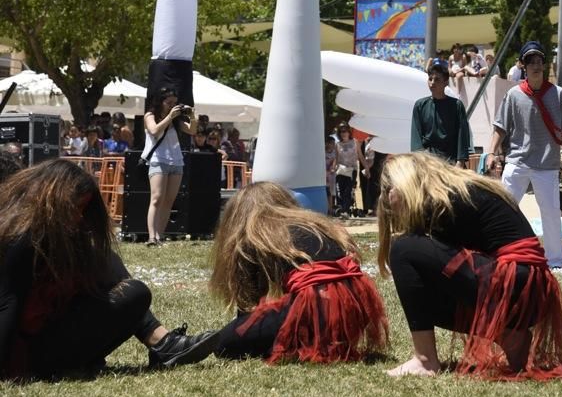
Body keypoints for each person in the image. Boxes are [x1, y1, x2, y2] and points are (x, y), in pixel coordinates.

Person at [376, 152, 562, 380]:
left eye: (388, 190)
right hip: (528, 288)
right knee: (419, 287)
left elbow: (445, 268)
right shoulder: (458, 190)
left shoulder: (446, 200)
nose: (386, 198)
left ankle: (425, 361)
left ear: (407, 182)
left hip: (517, 282)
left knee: (403, 249)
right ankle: (508, 333)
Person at [0, 159, 219, 380]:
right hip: (28, 351)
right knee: (132, 291)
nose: (78, 218)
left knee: (123, 281)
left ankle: (163, 342)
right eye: (76, 208)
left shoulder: (62, 236)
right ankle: (163, 343)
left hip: (48, 333)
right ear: (52, 201)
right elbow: (8, 303)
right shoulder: (21, 239)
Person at [209, 182, 389, 363]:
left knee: (223, 343)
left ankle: (305, 337)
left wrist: (244, 331)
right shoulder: (317, 224)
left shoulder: (254, 234)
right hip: (357, 304)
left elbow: (248, 306)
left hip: (316, 304)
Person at [487, 41, 562, 269]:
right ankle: (495, 252)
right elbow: (500, 127)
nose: (536, 66)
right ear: (523, 66)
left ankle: (556, 260)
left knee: (550, 213)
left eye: (539, 61)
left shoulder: (558, 94)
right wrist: (491, 152)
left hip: (547, 163)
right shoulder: (514, 95)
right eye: (531, 61)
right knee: (504, 208)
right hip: (517, 161)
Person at [142, 86, 197, 247]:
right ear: (160, 102)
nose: (172, 106)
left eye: (175, 103)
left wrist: (192, 116)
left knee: (168, 201)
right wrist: (169, 117)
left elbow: (192, 131)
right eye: (169, 102)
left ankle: (159, 235)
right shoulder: (150, 115)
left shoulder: (176, 120)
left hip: (176, 161)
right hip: (158, 160)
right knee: (157, 198)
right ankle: (151, 237)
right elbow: (154, 130)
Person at [410, 59, 472, 167]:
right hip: (428, 163)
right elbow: (416, 138)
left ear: (445, 83)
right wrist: (420, 162)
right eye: (430, 79)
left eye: (437, 79)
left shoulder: (457, 105)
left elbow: (462, 135)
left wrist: (460, 162)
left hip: (451, 163)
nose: (432, 83)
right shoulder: (420, 105)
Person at [332, 123, 367, 217]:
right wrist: (333, 167)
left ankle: (346, 211)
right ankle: (341, 210)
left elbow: (360, 156)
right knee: (340, 191)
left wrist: (367, 168)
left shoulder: (355, 142)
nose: (344, 133)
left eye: (345, 131)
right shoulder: (338, 144)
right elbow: (336, 158)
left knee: (348, 190)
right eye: (341, 131)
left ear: (349, 132)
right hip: (341, 170)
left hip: (352, 170)